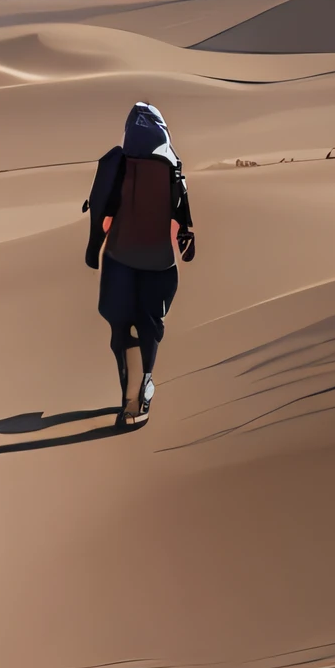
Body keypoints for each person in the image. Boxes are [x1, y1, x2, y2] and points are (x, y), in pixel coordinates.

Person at [82, 100, 197, 427]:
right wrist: (185, 244)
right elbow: (183, 215)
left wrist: (93, 248)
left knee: (121, 329)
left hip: (121, 259)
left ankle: (131, 394)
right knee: (147, 327)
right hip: (159, 262)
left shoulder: (117, 162)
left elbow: (101, 208)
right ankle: (142, 385)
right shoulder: (172, 164)